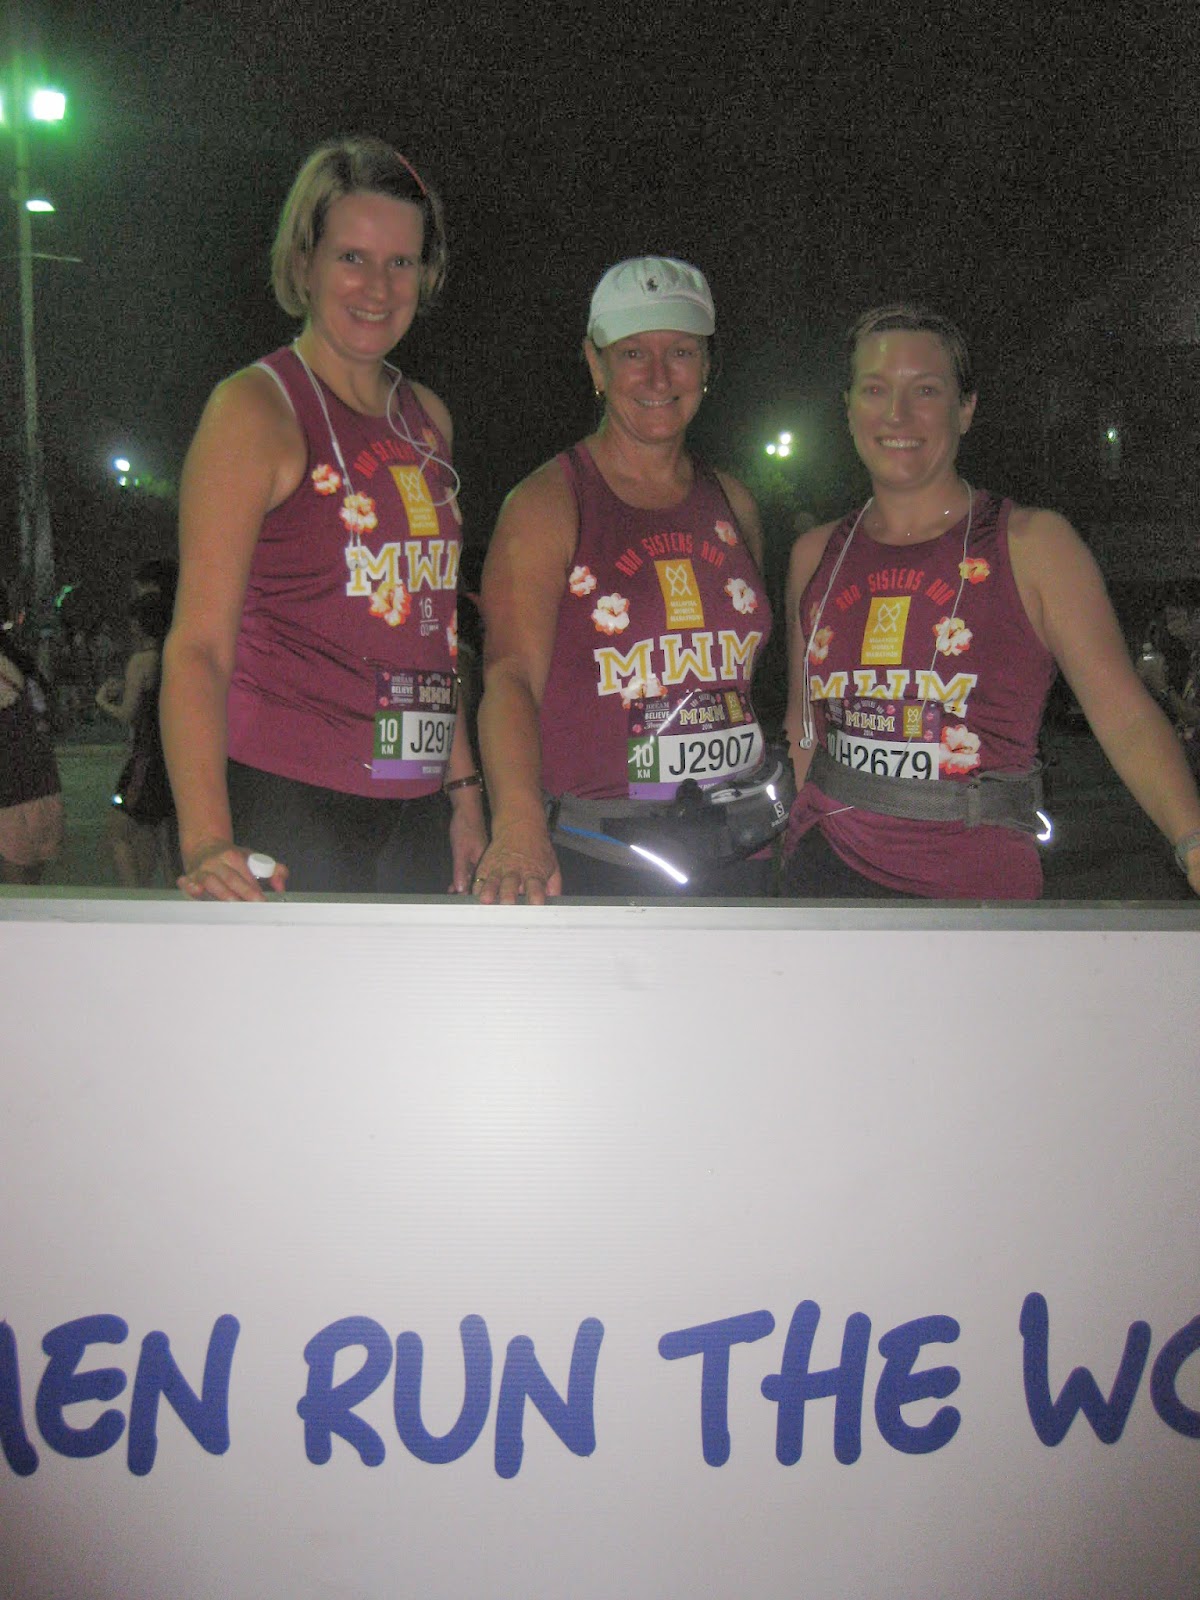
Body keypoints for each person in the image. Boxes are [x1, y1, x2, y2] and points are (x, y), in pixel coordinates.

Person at [781, 303, 1200, 899]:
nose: (897, 413)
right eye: (875, 389)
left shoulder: (1033, 544)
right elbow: (804, 725)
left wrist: (1192, 842)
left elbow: (1125, 716)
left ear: (966, 408)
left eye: (926, 390)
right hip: (826, 871)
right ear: (847, 408)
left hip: (973, 886)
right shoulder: (816, 553)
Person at [161, 136, 486, 899]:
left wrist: (466, 797)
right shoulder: (254, 409)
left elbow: (435, 633)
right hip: (290, 800)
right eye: (351, 258)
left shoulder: (427, 418)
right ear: (304, 262)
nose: (378, 287)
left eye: (400, 262)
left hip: (416, 802)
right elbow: (198, 647)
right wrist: (207, 842)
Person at [474, 256, 784, 903]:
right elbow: (509, 677)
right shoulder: (547, 503)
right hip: (601, 858)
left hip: (739, 849)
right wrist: (518, 827)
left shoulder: (734, 501)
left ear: (707, 365)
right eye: (633, 353)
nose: (659, 376)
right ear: (596, 364)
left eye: (682, 352)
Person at [96, 591, 175, 887]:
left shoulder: (140, 661)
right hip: (170, 757)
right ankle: (168, 898)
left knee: (118, 833)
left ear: (140, 624)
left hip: (145, 760)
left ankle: (135, 896)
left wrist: (102, 701)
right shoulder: (172, 656)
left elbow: (128, 714)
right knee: (161, 838)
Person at [0, 585, 64, 886]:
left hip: (13, 797)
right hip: (40, 790)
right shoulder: (20, 661)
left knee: (14, 905)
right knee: (26, 898)